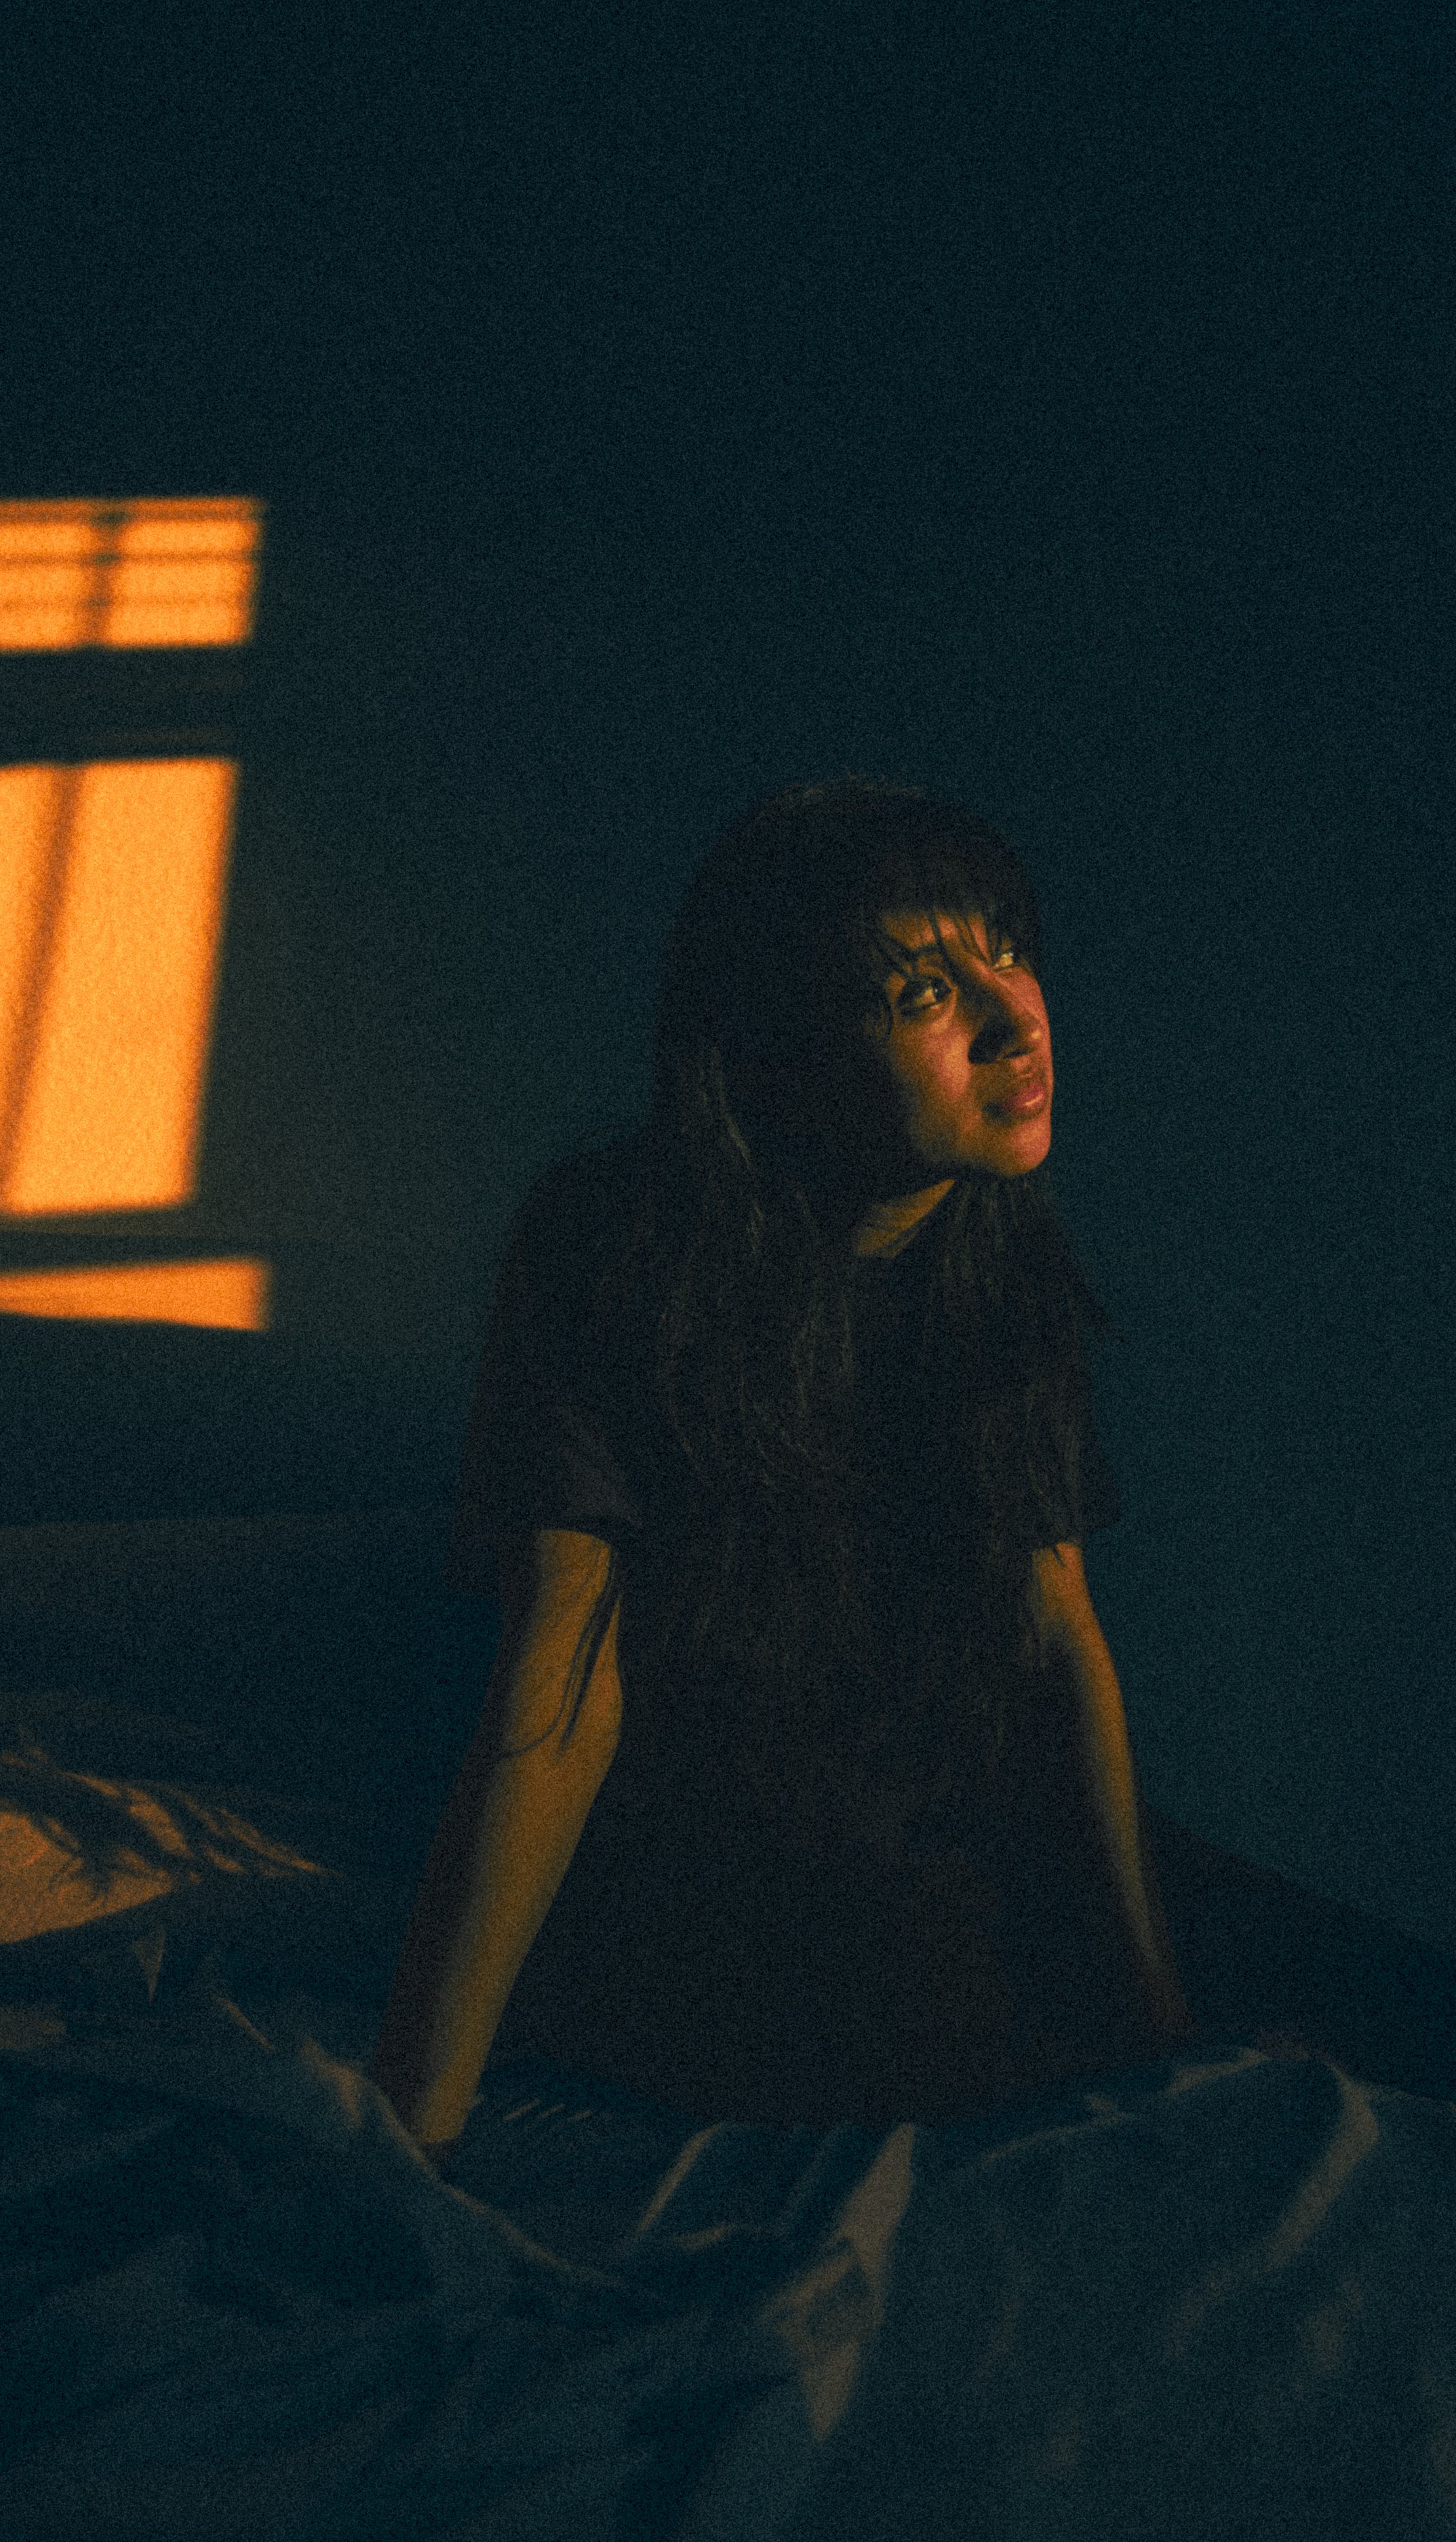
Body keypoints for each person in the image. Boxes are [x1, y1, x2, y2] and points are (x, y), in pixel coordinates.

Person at [368, 774, 1202, 2162]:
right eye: (924, 992)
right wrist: (407, 2123)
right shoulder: (613, 1245)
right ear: (777, 1054)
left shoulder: (1004, 1272)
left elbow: (1057, 1641)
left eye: (1003, 944)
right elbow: (562, 1675)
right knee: (926, 2027)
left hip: (955, 1807)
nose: (1014, 1017)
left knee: (1430, 2022)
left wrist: (1164, 2027)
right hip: (734, 1862)